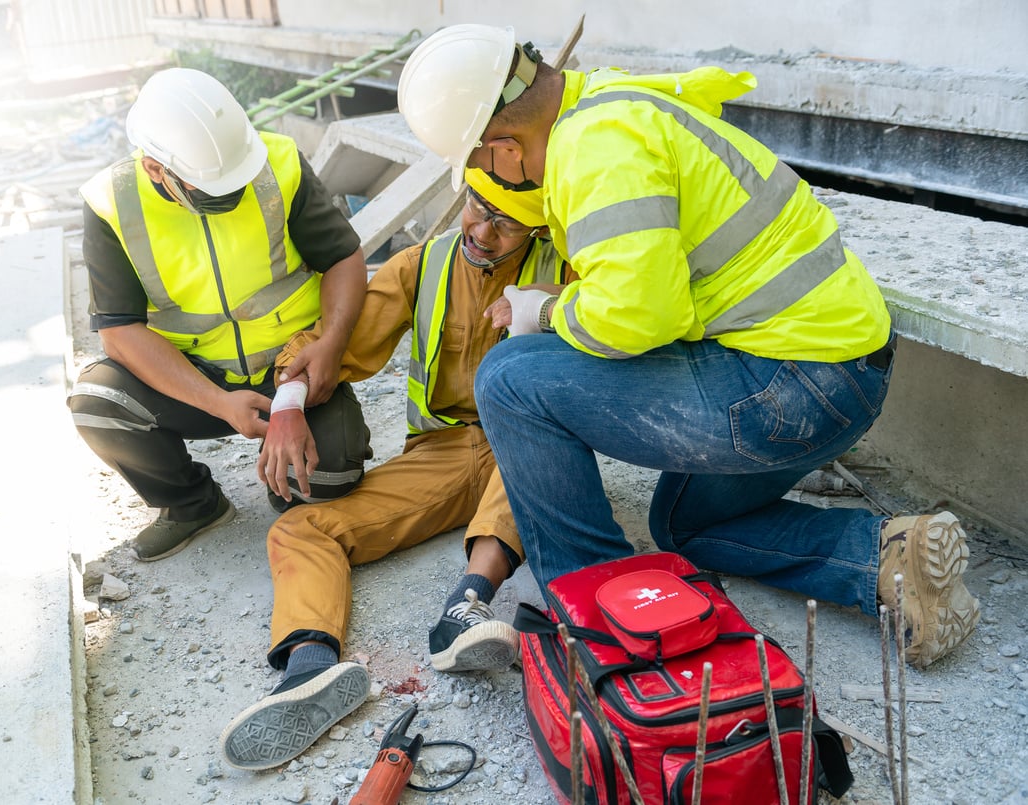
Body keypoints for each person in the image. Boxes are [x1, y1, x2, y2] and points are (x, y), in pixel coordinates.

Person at [397, 24, 979, 670]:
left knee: (509, 378)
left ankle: (602, 606)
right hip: (841, 374)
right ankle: (887, 560)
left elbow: (641, 315)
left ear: (504, 150)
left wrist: (546, 308)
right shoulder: (606, 102)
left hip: (793, 380)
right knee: (682, 523)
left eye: (481, 166)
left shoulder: (595, 148)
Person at [218, 169, 576, 771]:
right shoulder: (423, 265)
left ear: (537, 223)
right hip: (442, 454)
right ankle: (309, 667)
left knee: (539, 436)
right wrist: (286, 404)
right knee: (300, 529)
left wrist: (547, 312)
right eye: (475, 206)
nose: (481, 230)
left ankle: (466, 605)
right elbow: (337, 346)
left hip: (533, 438)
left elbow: (627, 329)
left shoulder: (569, 268)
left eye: (505, 220)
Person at [68, 67, 372, 561]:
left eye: (238, 182)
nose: (232, 197)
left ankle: (290, 471)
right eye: (214, 192)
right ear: (154, 169)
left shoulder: (277, 162)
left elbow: (343, 258)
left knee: (325, 484)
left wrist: (330, 343)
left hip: (291, 369)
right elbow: (121, 333)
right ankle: (192, 505)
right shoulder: (111, 204)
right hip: (194, 380)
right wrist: (218, 402)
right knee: (97, 399)